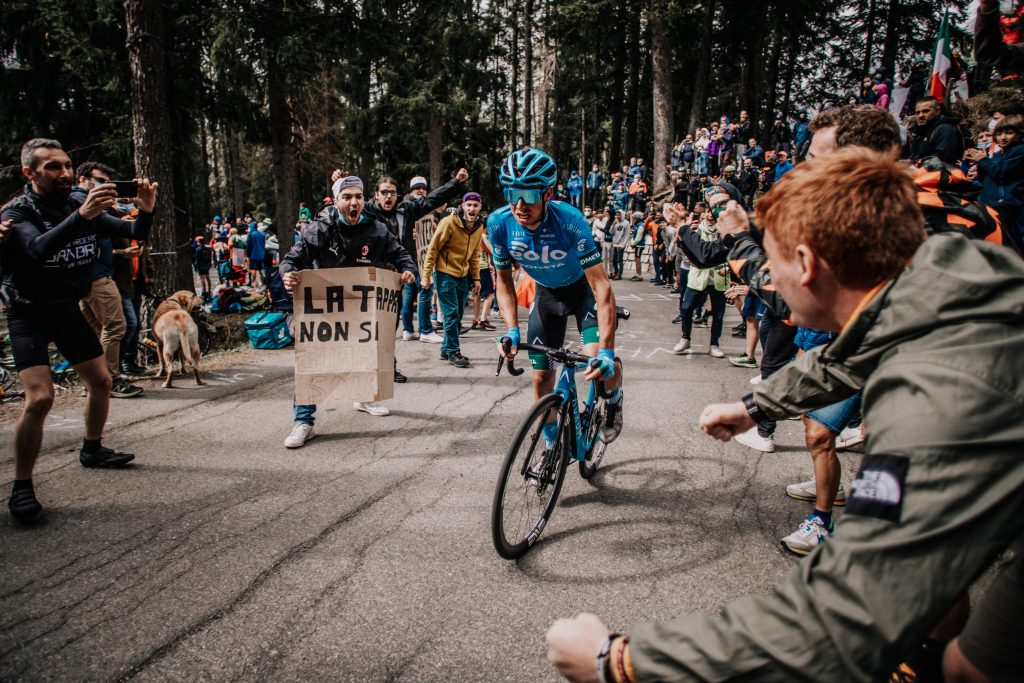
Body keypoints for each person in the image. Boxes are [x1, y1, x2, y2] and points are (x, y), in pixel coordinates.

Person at [545, 146, 1024, 683]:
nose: (763, 277)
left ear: (806, 263)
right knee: (948, 625)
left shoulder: (931, 399)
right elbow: (850, 355)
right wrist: (754, 407)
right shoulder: (942, 274)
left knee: (970, 669)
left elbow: (842, 612)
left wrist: (619, 661)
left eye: (769, 262)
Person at [2, 138, 158, 521]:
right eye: (52, 167)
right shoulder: (18, 212)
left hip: (66, 308)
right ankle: (22, 485)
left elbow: (134, 231)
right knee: (40, 398)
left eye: (67, 165)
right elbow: (37, 249)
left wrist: (147, 210)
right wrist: (83, 217)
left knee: (101, 380)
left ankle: (92, 448)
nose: (65, 173)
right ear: (30, 172)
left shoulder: (75, 202)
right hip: (28, 313)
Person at [489, 147, 624, 446]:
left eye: (530, 195)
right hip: (547, 297)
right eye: (513, 194)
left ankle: (613, 399)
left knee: (596, 363)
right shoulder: (499, 224)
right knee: (540, 380)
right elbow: (504, 283)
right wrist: (510, 328)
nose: (520, 205)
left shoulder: (570, 220)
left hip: (582, 294)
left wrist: (606, 351)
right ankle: (552, 447)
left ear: (548, 193)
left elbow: (602, 287)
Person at [279, 176, 417, 448]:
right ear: (337, 201)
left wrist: (409, 270)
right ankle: (303, 421)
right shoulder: (319, 229)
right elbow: (290, 261)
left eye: (358, 197)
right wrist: (287, 275)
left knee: (365, 352)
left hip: (362, 307)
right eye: (347, 197)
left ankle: (365, 396)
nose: (354, 202)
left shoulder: (376, 230)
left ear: (364, 200)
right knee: (313, 360)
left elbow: (402, 255)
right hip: (326, 307)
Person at [363, 169, 468, 370]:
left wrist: (456, 182)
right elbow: (345, 203)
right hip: (373, 273)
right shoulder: (367, 211)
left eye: (392, 192)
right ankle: (373, 366)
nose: (388, 196)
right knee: (374, 323)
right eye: (384, 192)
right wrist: (339, 182)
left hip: (398, 274)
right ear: (376, 194)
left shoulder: (406, 209)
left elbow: (432, 200)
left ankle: (387, 367)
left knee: (392, 321)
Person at [71, 162, 143, 398]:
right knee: (116, 325)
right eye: (101, 181)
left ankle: (92, 381)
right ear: (83, 179)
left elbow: (117, 231)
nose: (105, 186)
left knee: (96, 329)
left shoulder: (95, 205)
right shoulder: (80, 201)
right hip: (96, 276)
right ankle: (109, 379)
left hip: (89, 275)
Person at [420, 192, 485, 368]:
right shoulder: (448, 222)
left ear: (480, 208)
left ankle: (445, 348)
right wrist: (426, 276)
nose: (472, 208)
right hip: (444, 273)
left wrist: (476, 278)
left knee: (459, 315)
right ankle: (454, 352)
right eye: (469, 205)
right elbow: (432, 250)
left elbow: (474, 254)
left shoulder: (478, 227)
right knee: (451, 313)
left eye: (475, 205)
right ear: (463, 206)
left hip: (463, 275)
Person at [909, 96, 965, 165]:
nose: (920, 116)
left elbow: (942, 158)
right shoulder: (921, 133)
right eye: (917, 113)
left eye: (926, 111)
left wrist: (914, 164)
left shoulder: (945, 129)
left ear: (937, 111)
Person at [245, 217, 266, 289]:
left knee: (253, 270)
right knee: (260, 270)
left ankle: (253, 284)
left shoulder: (251, 234)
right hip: (261, 255)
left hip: (253, 255)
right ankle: (261, 283)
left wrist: (247, 255)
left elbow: (248, 245)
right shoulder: (262, 234)